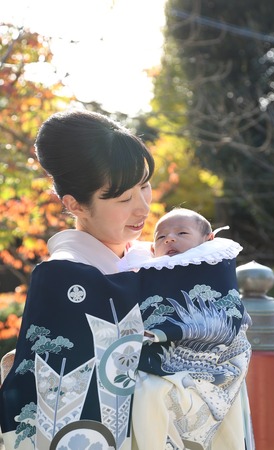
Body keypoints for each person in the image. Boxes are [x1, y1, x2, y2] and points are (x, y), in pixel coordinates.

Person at [0, 109, 253, 450]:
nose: (144, 208)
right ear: (74, 204)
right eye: (123, 198)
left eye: (145, 186)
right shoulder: (64, 278)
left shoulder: (166, 262)